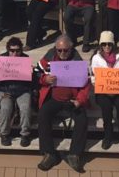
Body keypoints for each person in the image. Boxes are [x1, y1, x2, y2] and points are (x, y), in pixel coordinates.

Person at [35, 35, 91, 173]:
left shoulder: (78, 62)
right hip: (53, 98)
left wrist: (80, 101)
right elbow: (36, 72)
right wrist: (44, 79)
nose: (62, 53)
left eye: (65, 50)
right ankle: (49, 153)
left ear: (71, 49)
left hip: (72, 100)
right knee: (43, 115)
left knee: (82, 120)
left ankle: (74, 154)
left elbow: (86, 85)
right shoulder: (49, 57)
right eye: (59, 50)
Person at [90, 31, 119, 151]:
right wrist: (96, 82)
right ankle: (107, 136)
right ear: (100, 45)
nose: (106, 47)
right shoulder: (96, 58)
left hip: (118, 91)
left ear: (113, 44)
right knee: (106, 110)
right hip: (103, 91)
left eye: (109, 44)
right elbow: (93, 75)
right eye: (104, 44)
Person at [0, 36, 33, 147]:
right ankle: (4, 133)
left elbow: (32, 81)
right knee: (6, 108)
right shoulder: (2, 60)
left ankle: (25, 134)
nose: (15, 53)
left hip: (22, 90)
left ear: (21, 50)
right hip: (5, 90)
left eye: (17, 51)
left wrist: (31, 73)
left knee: (25, 108)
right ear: (8, 50)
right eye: (12, 51)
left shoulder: (26, 59)